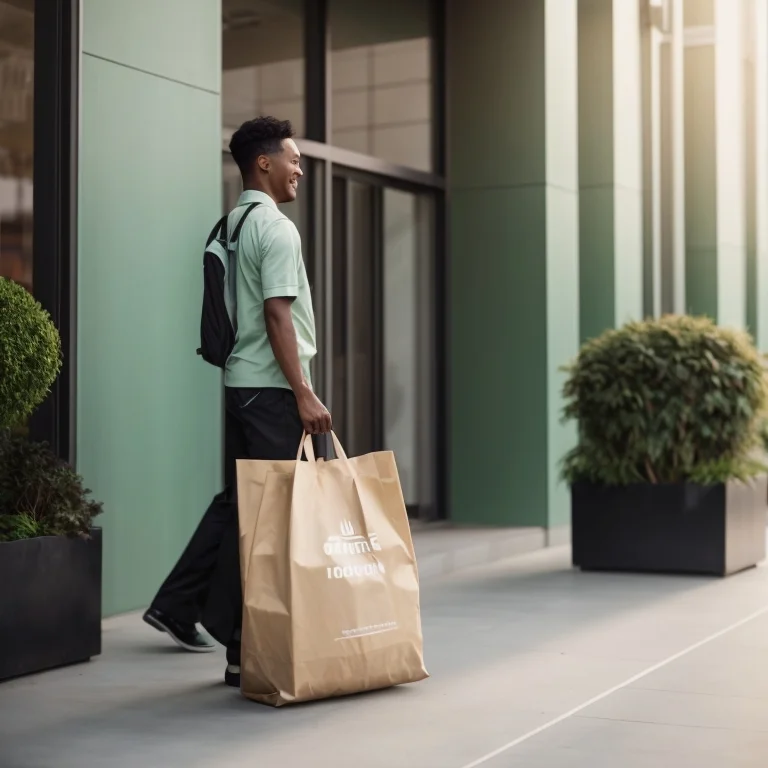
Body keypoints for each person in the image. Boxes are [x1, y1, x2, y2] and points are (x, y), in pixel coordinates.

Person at [142, 116, 332, 687]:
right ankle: (244, 643)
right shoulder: (275, 228)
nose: (301, 167)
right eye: (293, 158)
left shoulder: (231, 223)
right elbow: (277, 314)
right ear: (264, 163)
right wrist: (305, 393)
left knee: (242, 507)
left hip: (239, 386)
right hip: (272, 390)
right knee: (271, 519)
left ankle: (185, 609)